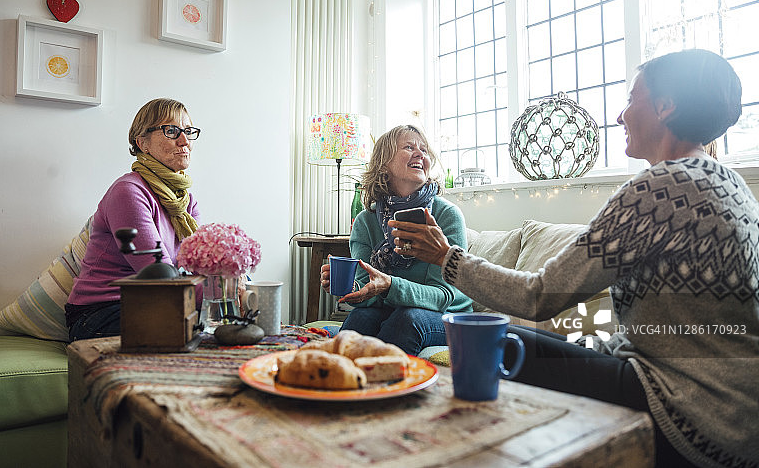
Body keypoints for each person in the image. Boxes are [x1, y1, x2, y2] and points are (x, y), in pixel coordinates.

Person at [390, 50, 758, 467]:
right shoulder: (730, 183)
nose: (620, 116)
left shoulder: (659, 189)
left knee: (504, 343)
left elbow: (540, 296)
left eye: (632, 98)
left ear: (665, 106)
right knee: (539, 341)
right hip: (739, 411)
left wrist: (447, 258)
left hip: (690, 410)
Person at [320, 125, 473, 356]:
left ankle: (389, 388)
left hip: (449, 315)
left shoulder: (446, 216)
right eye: (409, 147)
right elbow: (366, 295)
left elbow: (443, 295)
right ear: (384, 164)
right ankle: (337, 382)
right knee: (360, 318)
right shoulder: (365, 222)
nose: (420, 154)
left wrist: (389, 285)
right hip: (392, 309)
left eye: (424, 150)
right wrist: (352, 288)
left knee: (407, 318)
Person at [65, 98, 202, 341]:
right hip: (101, 312)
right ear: (142, 143)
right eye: (171, 131)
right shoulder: (128, 191)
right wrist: (223, 293)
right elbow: (159, 278)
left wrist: (233, 286)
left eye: (189, 132)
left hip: (162, 305)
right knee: (201, 329)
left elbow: (198, 265)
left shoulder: (185, 200)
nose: (184, 141)